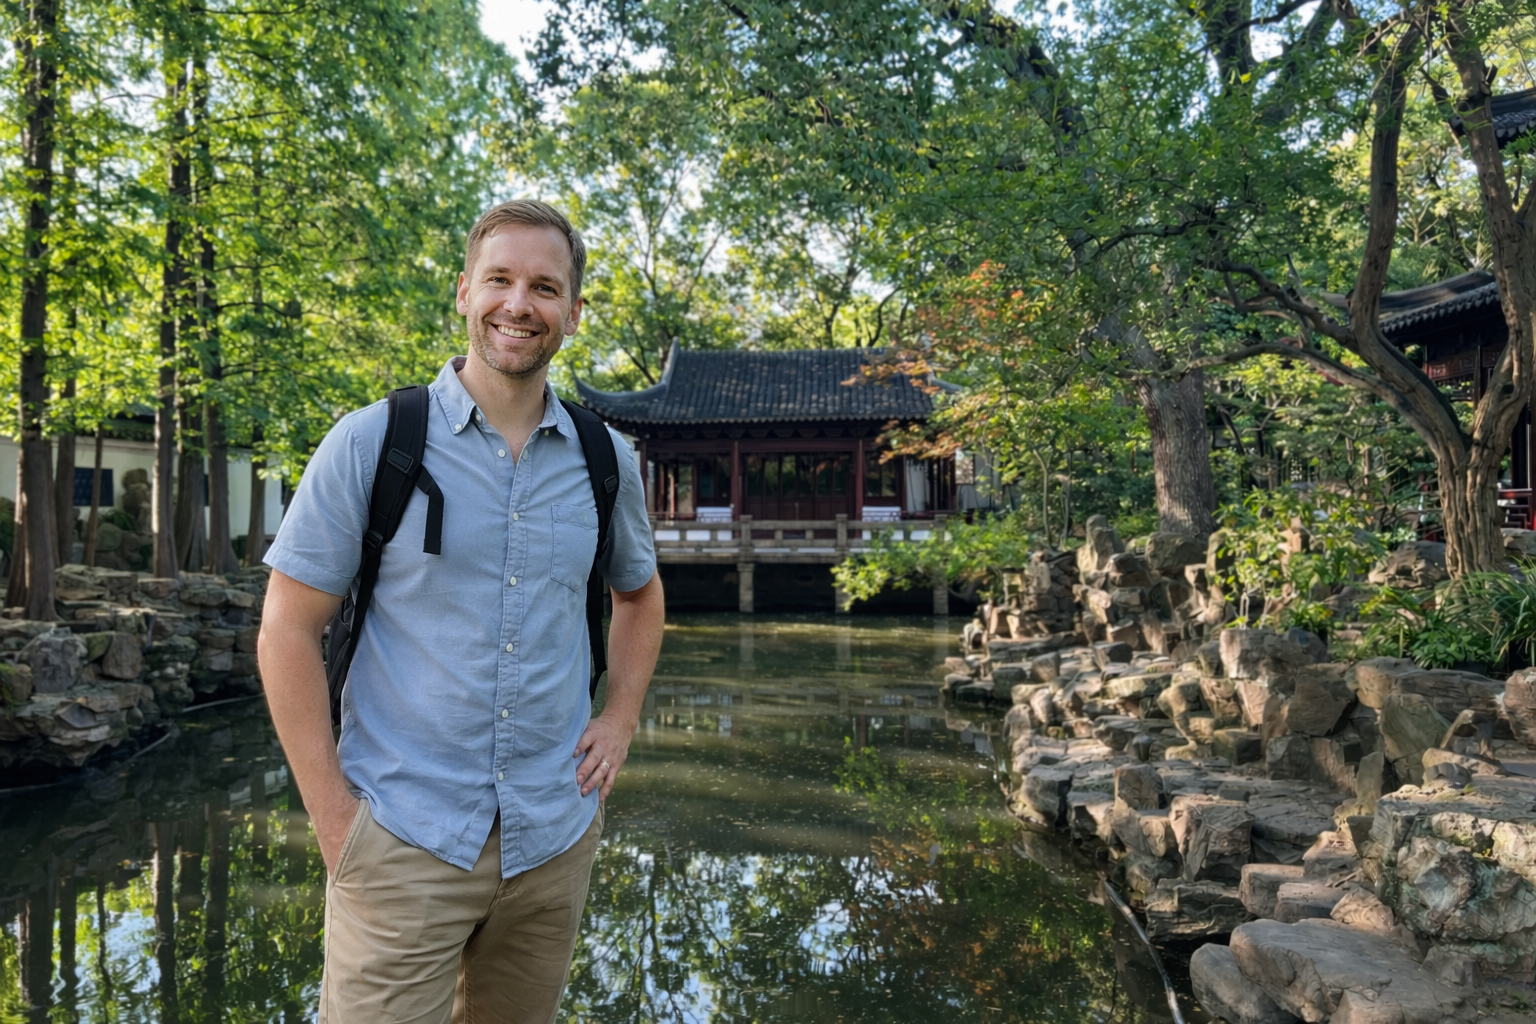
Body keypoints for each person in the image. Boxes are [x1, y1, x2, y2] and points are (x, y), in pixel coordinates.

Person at [257, 199, 665, 1024]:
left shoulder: (604, 459)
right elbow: (286, 629)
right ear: (464, 293)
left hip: (551, 842)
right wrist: (336, 824)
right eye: (501, 280)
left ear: (574, 312)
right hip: (400, 840)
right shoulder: (374, 444)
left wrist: (619, 717)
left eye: (546, 287)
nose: (520, 305)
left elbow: (640, 593)